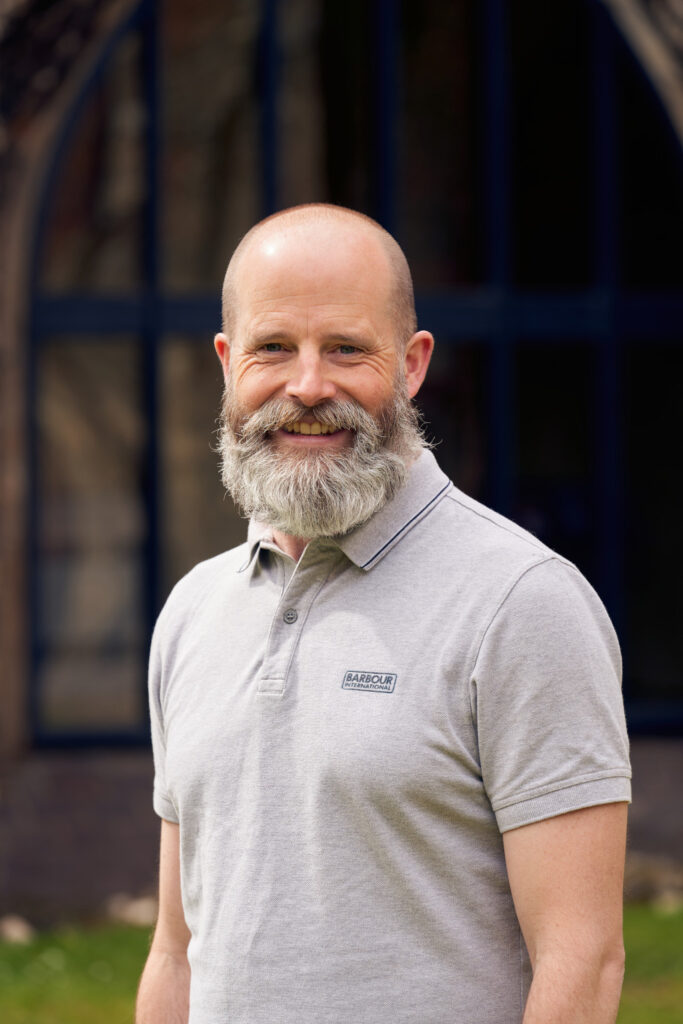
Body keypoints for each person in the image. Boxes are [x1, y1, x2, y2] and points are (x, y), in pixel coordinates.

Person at [136, 204, 631, 1024]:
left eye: (345, 349)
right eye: (272, 348)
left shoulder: (522, 603)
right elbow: (175, 949)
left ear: (410, 365)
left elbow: (582, 961)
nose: (306, 386)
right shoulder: (192, 612)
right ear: (227, 363)